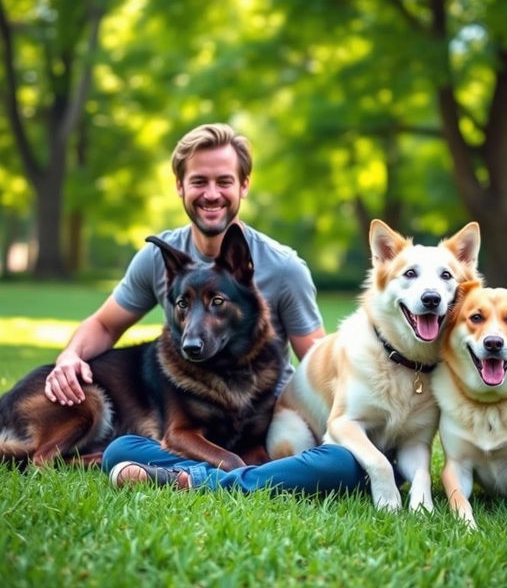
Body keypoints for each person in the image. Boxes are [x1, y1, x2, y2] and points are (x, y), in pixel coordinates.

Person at [45, 122, 366, 497]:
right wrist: (69, 357)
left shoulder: (283, 267)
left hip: (266, 423)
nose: (211, 194)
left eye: (224, 181)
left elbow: (317, 359)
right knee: (121, 448)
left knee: (345, 463)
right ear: (180, 186)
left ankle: (194, 478)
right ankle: (242, 480)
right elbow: (104, 324)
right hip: (199, 420)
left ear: (243, 186)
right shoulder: (159, 257)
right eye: (199, 181)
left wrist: (358, 420)